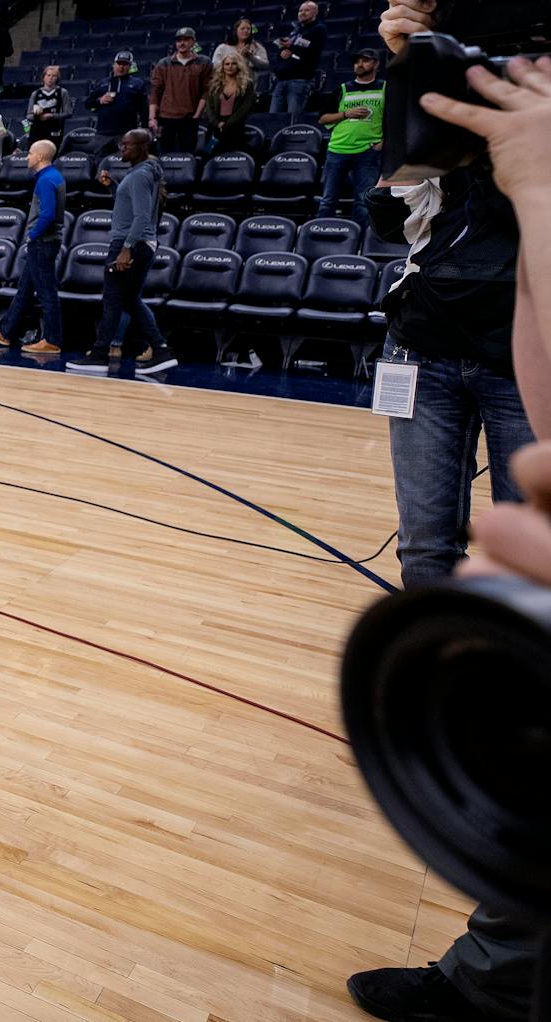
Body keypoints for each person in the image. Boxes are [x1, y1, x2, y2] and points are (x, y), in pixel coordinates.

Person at [343, 44, 550, 1022]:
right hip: (427, 345)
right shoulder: (433, 78)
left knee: (525, 591)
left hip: (520, 347)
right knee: (430, 562)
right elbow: (385, 204)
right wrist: (401, 71)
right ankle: (454, 740)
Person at [68, 130, 175, 374]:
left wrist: (126, 249)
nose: (121, 149)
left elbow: (141, 218)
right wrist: (113, 187)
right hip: (140, 243)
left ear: (142, 147)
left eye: (126, 145)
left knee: (113, 299)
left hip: (131, 243)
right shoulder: (143, 173)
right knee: (129, 300)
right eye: (121, 144)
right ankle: (160, 350)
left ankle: (100, 353)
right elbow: (131, 207)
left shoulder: (140, 175)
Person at [0, 140, 66, 354]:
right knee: (25, 290)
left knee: (46, 293)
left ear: (41, 157)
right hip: (45, 242)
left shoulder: (46, 180)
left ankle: (52, 340)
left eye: (31, 153)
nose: (28, 157)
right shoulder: (53, 176)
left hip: (43, 242)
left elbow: (47, 214)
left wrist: (32, 235)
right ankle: (5, 333)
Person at [317, 49, 386, 226]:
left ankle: (361, 244)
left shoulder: (385, 88)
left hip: (368, 151)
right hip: (338, 149)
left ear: (376, 64)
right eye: (357, 61)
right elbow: (323, 118)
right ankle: (320, 232)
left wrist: (382, 144)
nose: (359, 64)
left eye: (365, 60)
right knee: (328, 200)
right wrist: (346, 113)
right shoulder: (343, 88)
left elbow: (396, 119)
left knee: (364, 202)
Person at [148, 28, 212, 155]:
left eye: (186, 40)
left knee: (187, 156)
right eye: (178, 40)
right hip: (166, 118)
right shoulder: (164, 63)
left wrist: (197, 115)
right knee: (164, 156)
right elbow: (155, 91)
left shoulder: (204, 62)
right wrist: (152, 118)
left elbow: (207, 90)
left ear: (193, 42)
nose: (182, 43)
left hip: (190, 119)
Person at [86, 52, 148, 156]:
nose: (121, 67)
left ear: (130, 66)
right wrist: (99, 101)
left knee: (125, 164)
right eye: (119, 63)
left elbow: (143, 108)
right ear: (113, 65)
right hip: (103, 134)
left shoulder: (138, 83)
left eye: (125, 64)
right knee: (100, 165)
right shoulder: (101, 83)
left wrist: (145, 126)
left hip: (126, 133)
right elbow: (88, 104)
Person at [272, 1, 324, 115]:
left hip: (300, 80)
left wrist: (292, 46)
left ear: (315, 12)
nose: (302, 13)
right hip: (282, 80)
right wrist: (282, 54)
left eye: (306, 10)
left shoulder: (318, 29)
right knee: (273, 118)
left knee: (293, 120)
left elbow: (311, 49)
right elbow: (285, 49)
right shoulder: (295, 31)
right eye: (300, 11)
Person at [202, 53, 258, 156]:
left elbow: (245, 107)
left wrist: (227, 124)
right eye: (227, 64)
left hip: (235, 128)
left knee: (233, 156)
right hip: (215, 128)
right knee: (208, 155)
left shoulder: (247, 84)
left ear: (238, 66)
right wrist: (217, 123)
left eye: (233, 64)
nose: (230, 66)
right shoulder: (214, 84)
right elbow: (209, 107)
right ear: (222, 66)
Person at [212, 19, 271, 98]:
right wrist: (237, 58)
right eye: (242, 28)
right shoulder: (223, 47)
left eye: (248, 29)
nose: (246, 31)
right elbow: (215, 65)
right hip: (226, 88)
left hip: (248, 89)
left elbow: (265, 65)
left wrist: (251, 57)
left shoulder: (257, 47)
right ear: (236, 30)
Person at [27, 65, 68, 151]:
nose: (50, 78)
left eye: (54, 76)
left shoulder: (62, 92)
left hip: (55, 129)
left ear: (57, 78)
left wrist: (51, 115)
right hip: (37, 130)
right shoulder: (35, 94)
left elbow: (68, 113)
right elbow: (28, 116)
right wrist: (36, 114)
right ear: (43, 77)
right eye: (48, 75)